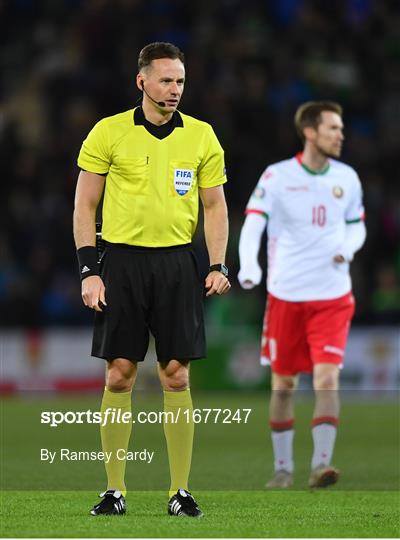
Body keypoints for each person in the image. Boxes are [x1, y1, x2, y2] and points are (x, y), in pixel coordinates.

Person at [73, 42, 230, 517]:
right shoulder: (108, 132)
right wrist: (89, 270)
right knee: (119, 374)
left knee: (176, 375)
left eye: (180, 81)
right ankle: (114, 490)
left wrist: (218, 263)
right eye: (165, 80)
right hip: (121, 263)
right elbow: (84, 205)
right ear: (141, 81)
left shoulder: (201, 136)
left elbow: (215, 205)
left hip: (177, 264)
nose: (174, 89)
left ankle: (178, 492)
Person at [238, 101, 366, 488]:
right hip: (286, 296)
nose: (340, 135)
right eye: (333, 128)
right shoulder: (276, 177)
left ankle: (320, 466)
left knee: (327, 380)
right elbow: (253, 224)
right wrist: (249, 266)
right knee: (284, 385)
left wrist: (348, 247)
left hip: (332, 295)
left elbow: (357, 226)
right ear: (310, 132)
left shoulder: (348, 178)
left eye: (341, 129)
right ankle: (282, 469)